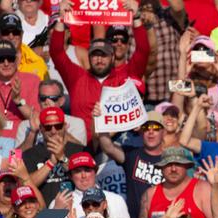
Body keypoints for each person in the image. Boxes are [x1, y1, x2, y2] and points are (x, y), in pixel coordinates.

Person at [50, 0, 150, 140]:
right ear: (89, 57)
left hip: (117, 144)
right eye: (95, 55)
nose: (99, 59)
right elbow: (56, 53)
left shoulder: (125, 75)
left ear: (113, 57)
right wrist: (60, 18)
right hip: (82, 146)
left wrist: (137, 17)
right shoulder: (77, 77)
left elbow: (143, 50)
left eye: (104, 55)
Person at [51, 152, 133, 218]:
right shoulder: (59, 203)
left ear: (95, 172)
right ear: (70, 176)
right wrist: (56, 212)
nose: (83, 175)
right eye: (77, 171)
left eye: (87, 170)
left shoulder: (115, 199)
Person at [97, 111, 165, 218]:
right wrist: (100, 119)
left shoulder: (170, 160)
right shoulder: (132, 154)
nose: (151, 132)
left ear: (163, 132)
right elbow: (108, 147)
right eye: (146, 127)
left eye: (156, 127)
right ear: (141, 132)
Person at [23, 106, 87, 204]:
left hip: (76, 209)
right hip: (45, 214)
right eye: (48, 127)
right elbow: (26, 187)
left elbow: (85, 180)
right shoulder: (30, 154)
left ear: (65, 126)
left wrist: (62, 158)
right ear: (41, 128)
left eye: (58, 126)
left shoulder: (79, 150)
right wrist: (50, 163)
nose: (53, 131)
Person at [0, 40, 40, 139]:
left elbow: (37, 120)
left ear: (17, 60)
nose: (6, 63)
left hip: (23, 142)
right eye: (1, 59)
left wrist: (18, 101)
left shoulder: (32, 80)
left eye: (10, 58)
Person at [15, 79, 87, 150]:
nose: (47, 102)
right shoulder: (25, 125)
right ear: (38, 100)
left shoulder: (76, 123)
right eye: (43, 98)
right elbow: (14, 155)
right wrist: (32, 133)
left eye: (53, 98)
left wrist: (62, 130)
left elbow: (82, 151)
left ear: (61, 101)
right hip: (36, 160)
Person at [0, 13, 48, 80]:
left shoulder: (38, 62)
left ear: (22, 34)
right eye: (5, 32)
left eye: (16, 32)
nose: (11, 37)